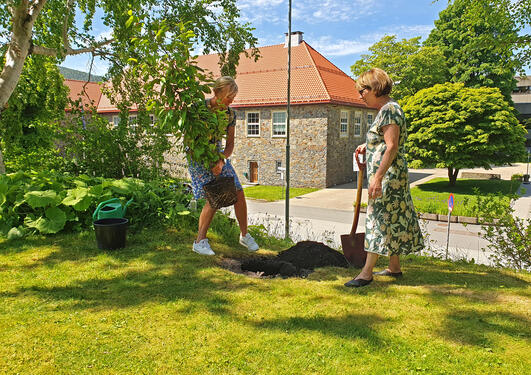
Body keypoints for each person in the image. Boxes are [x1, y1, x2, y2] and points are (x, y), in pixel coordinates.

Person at [345, 68, 424, 288]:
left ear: (375, 88)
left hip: (388, 178)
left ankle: (366, 273)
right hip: (393, 176)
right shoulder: (388, 109)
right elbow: (383, 141)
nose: (360, 95)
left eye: (363, 90)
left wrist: (377, 177)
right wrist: (367, 146)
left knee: (377, 219)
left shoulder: (389, 110)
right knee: (393, 219)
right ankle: (394, 267)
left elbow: (392, 146)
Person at [188, 76, 259, 256]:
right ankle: (199, 242)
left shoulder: (230, 114)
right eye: (228, 97)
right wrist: (208, 161)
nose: (230, 101)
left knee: (238, 192)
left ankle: (244, 235)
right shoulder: (198, 110)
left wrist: (220, 160)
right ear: (216, 92)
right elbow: (189, 141)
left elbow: (230, 145)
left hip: (218, 156)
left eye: (233, 98)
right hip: (198, 157)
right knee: (215, 196)